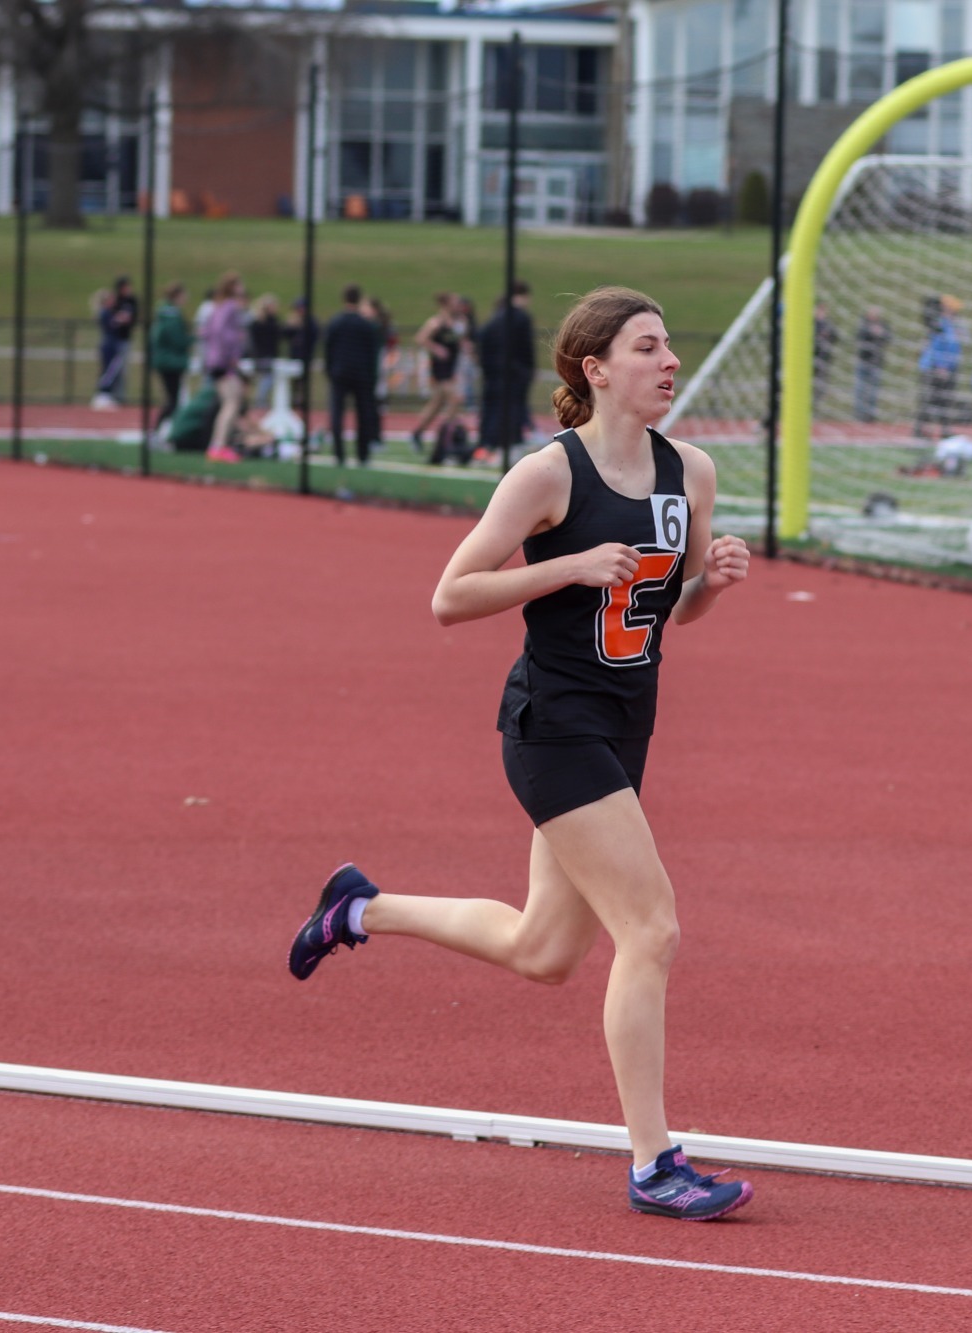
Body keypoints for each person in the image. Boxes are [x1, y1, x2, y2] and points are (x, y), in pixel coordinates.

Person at [286, 285, 756, 1223]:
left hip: (627, 725)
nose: (669, 362)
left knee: (544, 951)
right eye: (648, 347)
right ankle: (654, 1162)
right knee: (652, 930)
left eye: (670, 345)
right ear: (596, 369)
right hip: (553, 725)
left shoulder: (689, 471)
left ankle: (361, 908)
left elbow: (673, 609)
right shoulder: (547, 477)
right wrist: (567, 566)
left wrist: (714, 583)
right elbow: (450, 596)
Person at [322, 284, 383, 465]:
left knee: (337, 413)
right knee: (363, 414)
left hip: (339, 373)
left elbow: (328, 349)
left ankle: (339, 454)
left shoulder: (336, 322)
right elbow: (373, 354)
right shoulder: (366, 325)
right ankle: (362, 455)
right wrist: (372, 376)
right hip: (361, 375)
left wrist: (330, 370)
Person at [478, 281, 536, 459]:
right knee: (513, 408)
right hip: (515, 373)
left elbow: (482, 340)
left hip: (494, 373)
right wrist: (527, 371)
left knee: (494, 409)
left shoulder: (496, 317)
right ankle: (509, 444)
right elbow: (526, 348)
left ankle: (488, 446)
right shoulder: (520, 318)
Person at [199, 272, 250, 461]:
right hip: (223, 363)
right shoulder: (229, 307)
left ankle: (220, 444)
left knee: (231, 401)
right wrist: (232, 351)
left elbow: (207, 332)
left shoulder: (218, 306)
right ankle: (218, 446)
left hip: (217, 361)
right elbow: (220, 332)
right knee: (232, 402)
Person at [408, 291, 466, 457]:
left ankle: (417, 433)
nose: (458, 305)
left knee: (437, 404)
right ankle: (445, 437)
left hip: (452, 368)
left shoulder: (456, 322)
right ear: (446, 304)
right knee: (455, 399)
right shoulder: (436, 323)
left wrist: (465, 345)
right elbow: (420, 338)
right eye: (455, 302)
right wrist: (436, 348)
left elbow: (456, 341)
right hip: (440, 370)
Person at [913, 294, 963, 441]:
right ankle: (920, 430)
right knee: (928, 399)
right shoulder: (939, 325)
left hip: (949, 367)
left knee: (946, 401)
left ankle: (944, 430)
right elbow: (937, 347)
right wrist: (941, 367)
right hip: (935, 368)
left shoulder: (951, 324)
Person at [149, 282, 191, 429]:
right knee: (173, 401)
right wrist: (193, 338)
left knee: (173, 400)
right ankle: (157, 430)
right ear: (177, 296)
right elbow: (178, 340)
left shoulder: (165, 313)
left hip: (167, 361)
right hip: (171, 362)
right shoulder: (171, 315)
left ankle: (161, 430)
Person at [93, 276, 138, 409]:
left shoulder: (108, 312)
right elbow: (111, 324)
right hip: (109, 345)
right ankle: (103, 394)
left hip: (113, 344)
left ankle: (107, 395)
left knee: (113, 370)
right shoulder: (105, 312)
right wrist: (120, 319)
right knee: (108, 371)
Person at [851, 306, 890, 423]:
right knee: (860, 389)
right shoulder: (863, 323)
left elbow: (889, 337)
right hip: (863, 361)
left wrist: (881, 333)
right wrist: (870, 330)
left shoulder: (883, 324)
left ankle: (870, 416)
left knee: (873, 390)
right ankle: (859, 415)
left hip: (876, 362)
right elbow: (858, 336)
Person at [247, 293, 285, 409]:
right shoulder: (259, 322)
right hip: (261, 355)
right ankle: (260, 401)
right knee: (266, 379)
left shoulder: (272, 321)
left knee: (268, 379)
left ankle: (261, 401)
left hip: (269, 354)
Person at [812, 301, 838, 405]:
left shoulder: (828, 323)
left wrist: (828, 333)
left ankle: (816, 404)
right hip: (811, 357)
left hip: (823, 358)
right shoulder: (811, 323)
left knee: (821, 383)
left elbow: (836, 336)